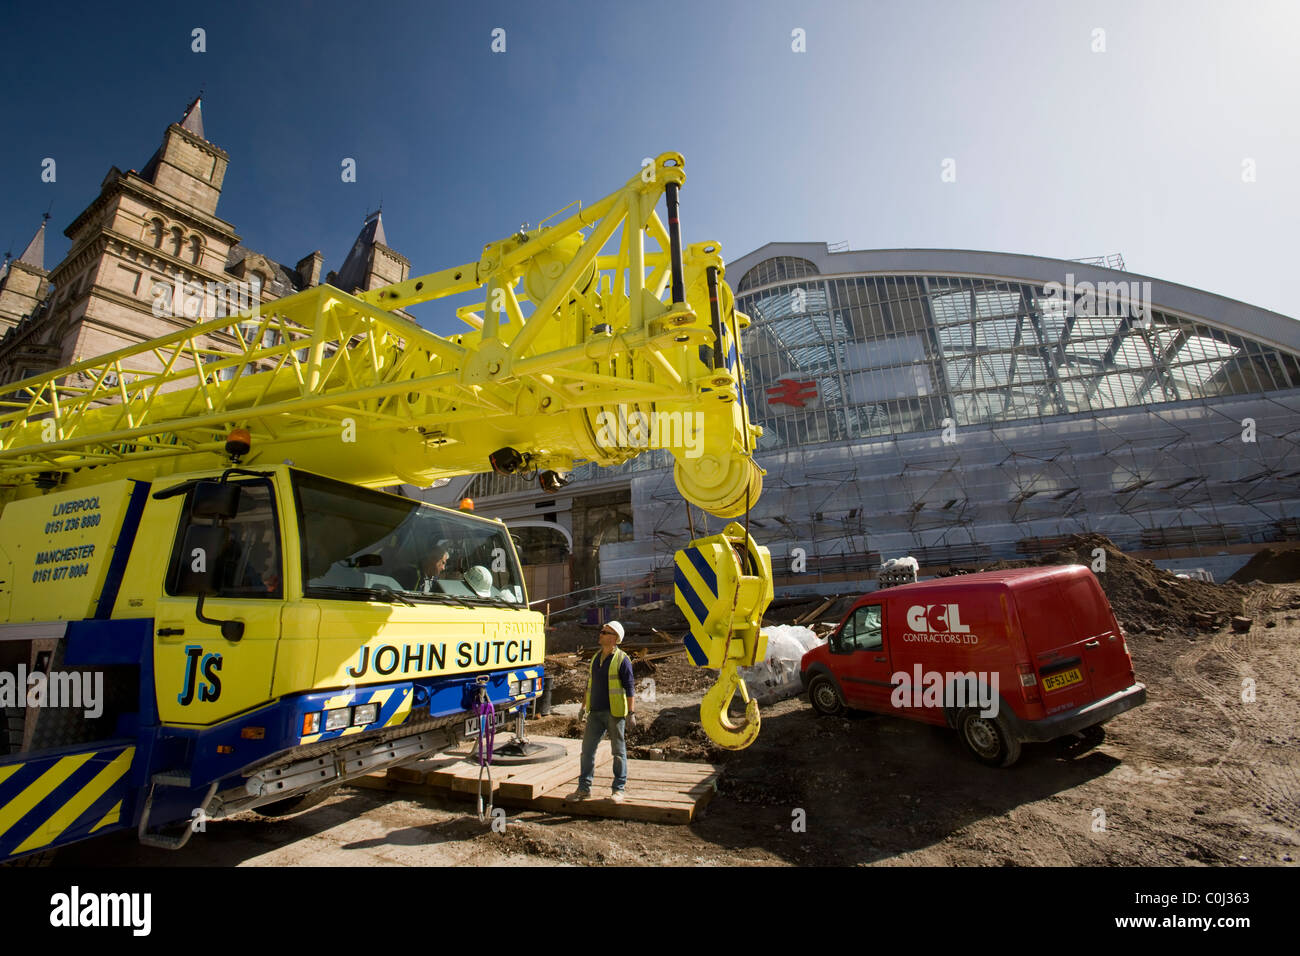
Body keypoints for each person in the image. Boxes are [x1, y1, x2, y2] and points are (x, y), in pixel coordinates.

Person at [573, 620, 635, 803]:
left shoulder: (622, 660)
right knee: (587, 751)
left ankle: (618, 790)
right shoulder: (595, 658)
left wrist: (631, 713)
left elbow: (630, 688)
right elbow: (589, 685)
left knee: (618, 752)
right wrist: (583, 707)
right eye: (601, 631)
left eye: (604, 632)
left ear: (614, 638)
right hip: (595, 712)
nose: (600, 634)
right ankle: (584, 789)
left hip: (614, 713)